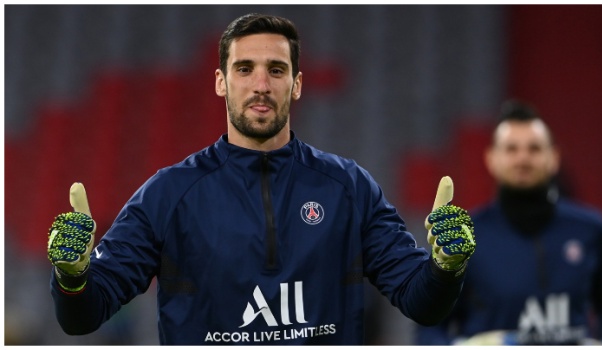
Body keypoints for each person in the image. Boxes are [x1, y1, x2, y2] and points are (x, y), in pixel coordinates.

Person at [46, 13, 477, 345]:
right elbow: (83, 318)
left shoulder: (350, 188)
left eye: (276, 69)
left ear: (297, 84)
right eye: (244, 68)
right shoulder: (168, 194)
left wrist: (445, 268)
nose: (260, 84)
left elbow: (422, 303)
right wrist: (71, 277)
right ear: (220, 82)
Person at [415, 100, 602, 345]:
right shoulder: (464, 235)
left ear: (554, 157)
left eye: (534, 148)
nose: (523, 158)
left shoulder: (591, 229)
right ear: (491, 158)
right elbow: (430, 324)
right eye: (511, 149)